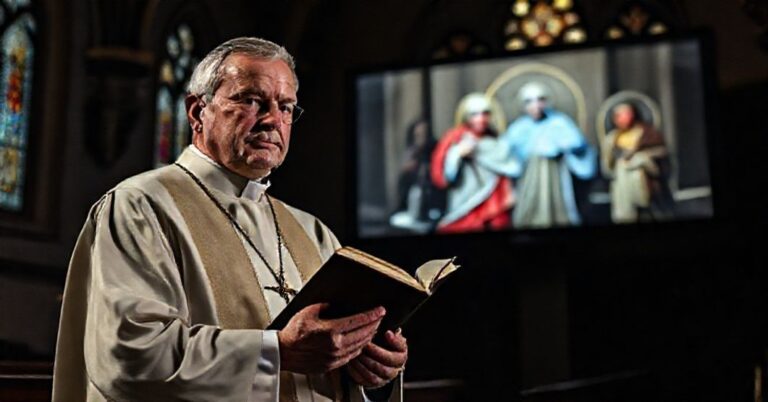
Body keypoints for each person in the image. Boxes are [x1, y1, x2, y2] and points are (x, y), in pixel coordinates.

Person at [52, 37, 406, 402]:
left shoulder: (313, 232)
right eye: (251, 100)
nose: (272, 120)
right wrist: (277, 351)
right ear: (196, 111)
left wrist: (373, 368)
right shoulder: (139, 208)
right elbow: (128, 355)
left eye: (286, 107)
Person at [502, 82, 596, 228]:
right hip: (528, 177)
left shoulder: (559, 122)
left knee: (556, 210)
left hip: (554, 174)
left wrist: (559, 147)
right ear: (523, 104)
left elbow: (577, 143)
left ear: (547, 101)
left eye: (540, 99)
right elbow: (506, 154)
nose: (536, 105)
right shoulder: (518, 128)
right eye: (529, 101)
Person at [429, 93, 520, 233]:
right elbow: (445, 174)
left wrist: (509, 191)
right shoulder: (456, 138)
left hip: (494, 201)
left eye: (485, 113)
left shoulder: (496, 142)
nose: (481, 119)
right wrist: (457, 154)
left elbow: (507, 169)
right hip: (467, 199)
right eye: (475, 114)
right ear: (467, 116)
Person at [602, 102, 674, 223]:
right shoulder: (611, 138)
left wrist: (643, 159)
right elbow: (608, 166)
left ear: (633, 114)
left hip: (646, 185)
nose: (622, 118)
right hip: (623, 187)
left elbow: (661, 155)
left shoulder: (648, 134)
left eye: (626, 114)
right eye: (618, 115)